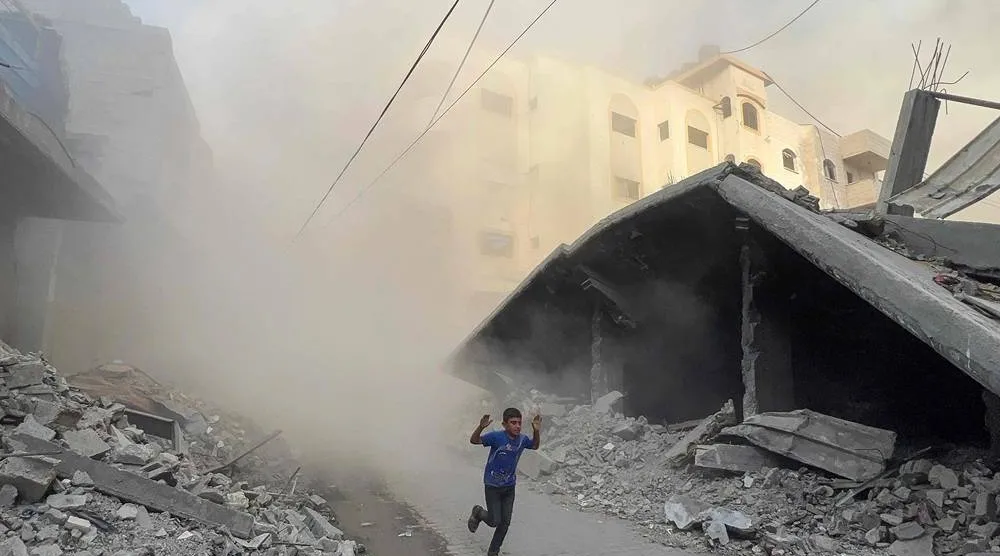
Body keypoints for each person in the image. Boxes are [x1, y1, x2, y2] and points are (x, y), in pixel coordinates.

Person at [467, 407, 541, 556]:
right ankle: (479, 512)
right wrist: (481, 427)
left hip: (509, 487)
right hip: (492, 485)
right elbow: (474, 440)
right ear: (504, 424)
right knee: (494, 521)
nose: (517, 426)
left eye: (519, 423)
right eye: (513, 423)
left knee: (505, 522)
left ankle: (493, 551)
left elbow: (534, 445)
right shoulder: (496, 437)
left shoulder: (522, 440)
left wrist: (536, 431)